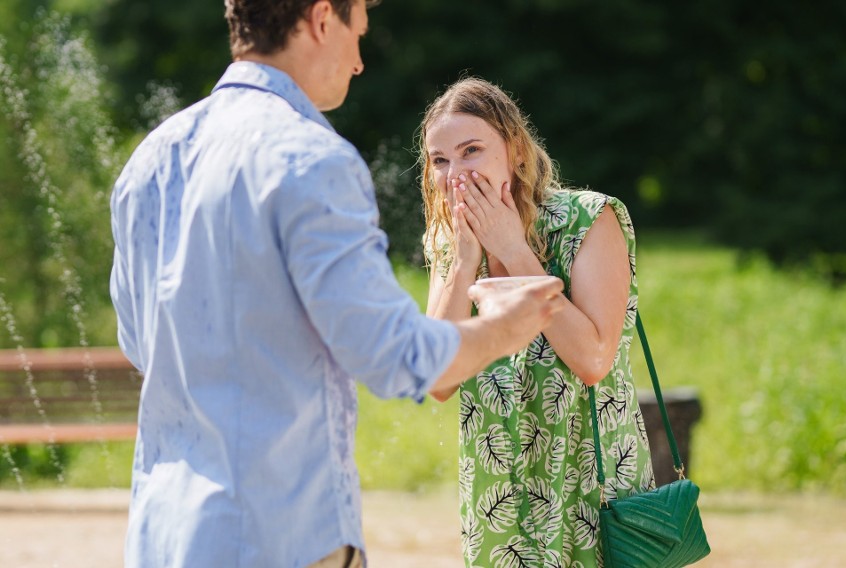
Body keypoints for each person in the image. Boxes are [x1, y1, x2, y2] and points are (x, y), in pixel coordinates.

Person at [108, 2, 566, 567]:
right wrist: (507, 327)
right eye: (358, 34)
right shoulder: (312, 159)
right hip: (281, 536)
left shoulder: (148, 161)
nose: (358, 63)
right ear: (323, 18)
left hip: (163, 535)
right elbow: (397, 357)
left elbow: (139, 345)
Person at [418, 77, 656, 566]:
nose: (455, 174)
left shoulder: (590, 219)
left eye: (471, 151)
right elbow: (437, 381)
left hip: (592, 483)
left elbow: (592, 359)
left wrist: (512, 250)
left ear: (516, 152)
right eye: (440, 160)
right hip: (498, 494)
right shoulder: (449, 241)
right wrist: (463, 263)